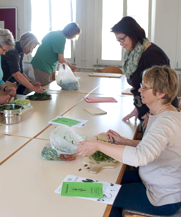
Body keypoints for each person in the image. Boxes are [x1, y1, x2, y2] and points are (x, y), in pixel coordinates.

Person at [77, 66, 181, 217]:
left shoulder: (165, 123)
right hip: (152, 182)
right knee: (104, 179)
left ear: (161, 93)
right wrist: (124, 141)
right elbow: (152, 148)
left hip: (162, 197)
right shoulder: (163, 114)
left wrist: (98, 145)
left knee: (100, 196)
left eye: (145, 87)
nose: (140, 90)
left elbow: (140, 157)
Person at [111, 16, 178, 129]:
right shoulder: (134, 54)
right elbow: (139, 87)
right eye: (118, 40)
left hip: (160, 115)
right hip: (148, 111)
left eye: (122, 39)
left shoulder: (153, 55)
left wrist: (152, 114)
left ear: (133, 34)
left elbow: (162, 91)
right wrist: (138, 108)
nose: (121, 44)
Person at [30, 22, 81, 87]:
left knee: (46, 87)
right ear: (72, 33)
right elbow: (61, 60)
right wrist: (70, 73)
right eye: (75, 35)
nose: (74, 37)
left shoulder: (58, 34)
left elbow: (60, 56)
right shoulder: (60, 38)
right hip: (42, 65)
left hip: (42, 64)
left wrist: (70, 66)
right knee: (44, 89)